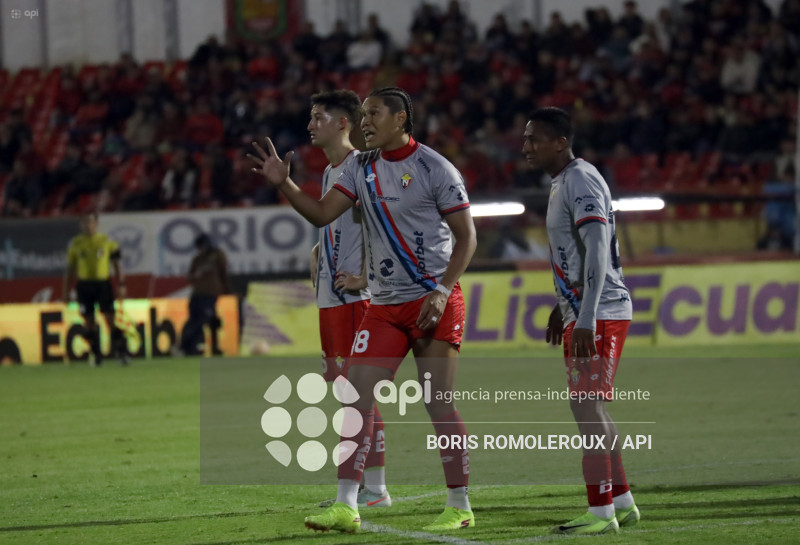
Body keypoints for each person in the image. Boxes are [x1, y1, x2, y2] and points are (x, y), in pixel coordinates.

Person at [249, 87, 477, 533]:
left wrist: (443, 289)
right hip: (386, 305)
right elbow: (320, 214)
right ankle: (347, 505)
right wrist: (284, 183)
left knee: (438, 403)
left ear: (400, 119)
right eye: (364, 114)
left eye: (374, 114)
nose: (365, 121)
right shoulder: (358, 167)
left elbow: (467, 237)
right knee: (355, 398)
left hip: (432, 300)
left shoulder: (435, 168)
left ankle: (459, 505)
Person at [522, 107, 638, 535]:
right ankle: (621, 501)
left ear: (560, 142)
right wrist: (564, 305)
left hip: (600, 311)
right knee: (591, 406)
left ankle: (600, 511)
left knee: (586, 406)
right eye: (525, 138)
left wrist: (586, 316)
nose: (526, 146)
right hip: (585, 308)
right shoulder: (562, 183)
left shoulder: (581, 179)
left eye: (534, 139)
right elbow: (577, 252)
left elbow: (597, 248)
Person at [305, 90, 392, 509]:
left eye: (319, 117)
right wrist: (320, 253)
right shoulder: (330, 171)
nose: (311, 124)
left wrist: (367, 277)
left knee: (361, 396)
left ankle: (375, 488)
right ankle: (364, 486)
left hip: (357, 300)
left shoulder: (361, 167)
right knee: (347, 397)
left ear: (344, 123)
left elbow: (383, 228)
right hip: (332, 300)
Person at [63, 211, 129, 366]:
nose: (88, 225)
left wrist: (121, 284)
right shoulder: (75, 244)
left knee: (110, 319)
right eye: (85, 222)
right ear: (81, 225)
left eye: (91, 222)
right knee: (89, 322)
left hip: (102, 284)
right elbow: (70, 269)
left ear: (96, 224)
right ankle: (95, 355)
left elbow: (117, 264)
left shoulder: (107, 241)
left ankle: (121, 352)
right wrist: (65, 291)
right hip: (84, 286)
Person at [179, 233, 230, 356]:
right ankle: (189, 347)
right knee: (196, 321)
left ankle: (210, 347)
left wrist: (227, 289)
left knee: (207, 320)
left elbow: (223, 273)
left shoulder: (217, 256)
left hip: (210, 294)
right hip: (197, 294)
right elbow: (190, 277)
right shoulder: (197, 260)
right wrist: (195, 276)